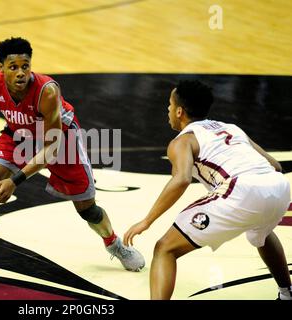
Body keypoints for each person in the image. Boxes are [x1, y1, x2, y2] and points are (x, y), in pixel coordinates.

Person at [0, 37, 144, 292]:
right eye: (13, 67)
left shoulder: (48, 91)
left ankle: (113, 244)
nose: (21, 72)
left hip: (59, 139)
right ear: (1, 68)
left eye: (26, 65)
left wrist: (15, 180)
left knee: (87, 209)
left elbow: (51, 147)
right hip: (19, 135)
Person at [124, 80, 291, 300]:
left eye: (170, 105)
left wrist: (147, 221)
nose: (168, 110)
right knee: (262, 232)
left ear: (180, 111)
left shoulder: (183, 141)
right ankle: (287, 294)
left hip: (241, 191)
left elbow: (181, 179)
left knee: (165, 249)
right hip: (278, 188)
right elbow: (276, 166)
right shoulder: (231, 128)